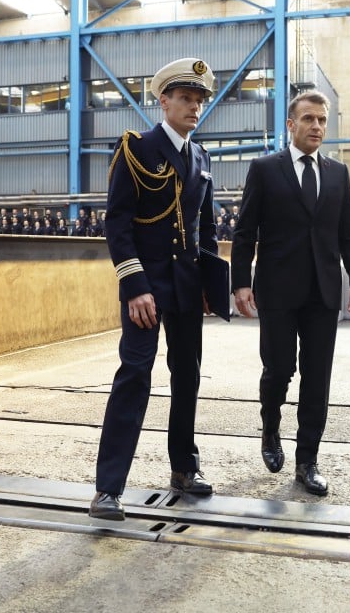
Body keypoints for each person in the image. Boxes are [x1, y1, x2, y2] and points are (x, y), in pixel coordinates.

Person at [89, 57, 219, 521]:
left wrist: (208, 284)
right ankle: (108, 489)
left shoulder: (201, 158)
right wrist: (134, 285)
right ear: (162, 101)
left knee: (188, 378)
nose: (193, 107)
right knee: (134, 377)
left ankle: (184, 468)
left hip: (186, 288)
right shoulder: (136, 149)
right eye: (185, 98)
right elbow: (118, 222)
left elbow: (203, 229)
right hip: (146, 288)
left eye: (199, 99)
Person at [230, 89, 350, 496]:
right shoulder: (265, 169)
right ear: (291, 124)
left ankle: (307, 461)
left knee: (317, 378)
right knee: (278, 370)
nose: (317, 126)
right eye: (308, 119)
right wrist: (241, 283)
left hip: (323, 293)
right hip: (278, 290)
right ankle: (270, 427)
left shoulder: (338, 173)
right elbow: (244, 231)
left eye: (322, 120)